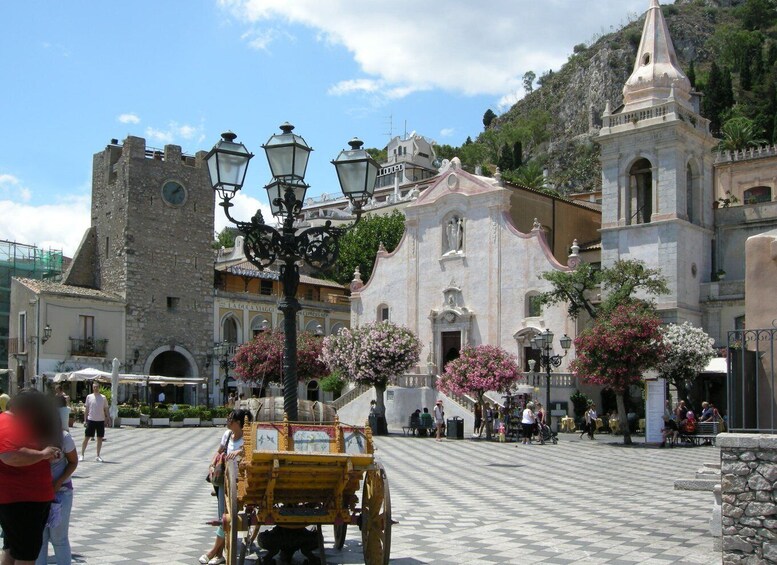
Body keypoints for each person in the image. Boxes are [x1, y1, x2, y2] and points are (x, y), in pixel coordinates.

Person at [0, 389, 62, 565]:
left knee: (13, 549)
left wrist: (45, 454)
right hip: (22, 501)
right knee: (25, 555)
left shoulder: (15, 423)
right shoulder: (8, 422)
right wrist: (43, 454)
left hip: (22, 499)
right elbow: (10, 455)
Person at [199, 409, 252, 565]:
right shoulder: (227, 435)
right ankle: (218, 553)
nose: (228, 421)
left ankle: (214, 551)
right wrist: (212, 464)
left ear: (239, 423)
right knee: (224, 515)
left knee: (225, 517)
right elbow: (219, 452)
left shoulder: (248, 438)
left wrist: (239, 452)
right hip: (225, 480)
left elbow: (249, 453)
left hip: (241, 481)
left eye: (231, 419)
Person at [36, 424, 78, 565]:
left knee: (59, 539)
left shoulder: (63, 436)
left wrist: (59, 482)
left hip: (61, 493)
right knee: (40, 539)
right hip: (38, 493)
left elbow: (73, 461)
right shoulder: (31, 435)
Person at [80, 382, 110, 463]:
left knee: (99, 438)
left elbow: (106, 409)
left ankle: (98, 455)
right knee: (87, 437)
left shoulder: (103, 398)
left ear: (99, 388)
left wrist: (108, 418)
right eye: (94, 387)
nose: (95, 388)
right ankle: (82, 454)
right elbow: (86, 409)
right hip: (91, 420)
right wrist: (85, 420)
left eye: (97, 387)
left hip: (100, 420)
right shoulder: (89, 397)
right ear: (92, 388)